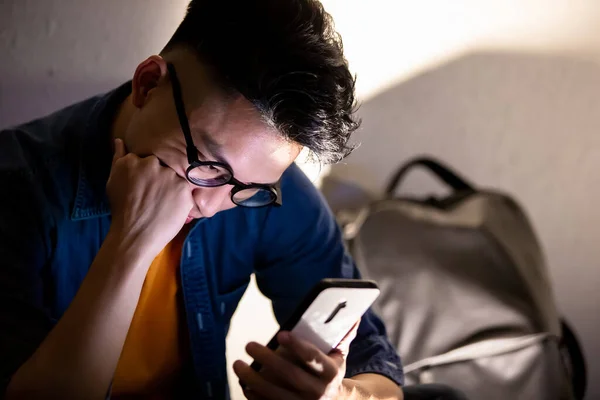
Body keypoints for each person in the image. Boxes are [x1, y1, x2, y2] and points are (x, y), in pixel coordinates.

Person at [0, 0, 405, 399]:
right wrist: (131, 245)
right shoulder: (16, 185)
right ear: (148, 85)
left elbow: (379, 371)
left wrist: (340, 396)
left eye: (246, 189)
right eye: (207, 165)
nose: (210, 206)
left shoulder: (266, 194)